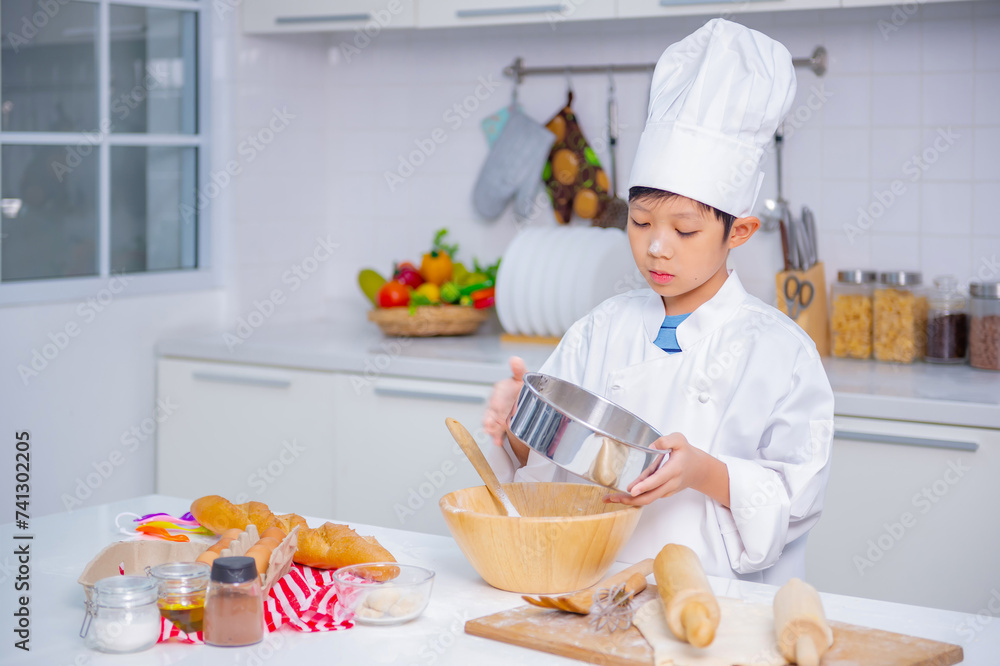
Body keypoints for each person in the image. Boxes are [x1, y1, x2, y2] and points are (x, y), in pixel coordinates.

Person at [483, 19, 834, 585]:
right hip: (587, 585)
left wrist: (705, 472)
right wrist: (516, 424)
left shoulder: (781, 352)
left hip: (712, 602)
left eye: (685, 230)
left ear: (738, 232)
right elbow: (540, 466)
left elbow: (796, 497)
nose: (655, 247)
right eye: (640, 222)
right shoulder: (602, 329)